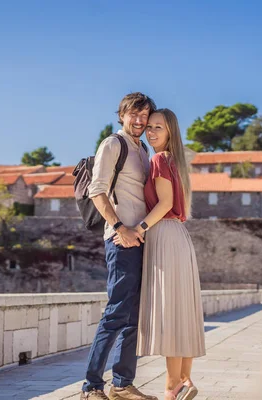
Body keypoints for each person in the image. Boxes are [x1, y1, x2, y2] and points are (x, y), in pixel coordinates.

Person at [114, 109, 205, 400]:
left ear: (170, 133)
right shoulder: (176, 161)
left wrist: (139, 228)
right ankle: (185, 380)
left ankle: (171, 385)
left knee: (170, 313)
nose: (151, 132)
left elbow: (164, 203)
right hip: (179, 236)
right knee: (182, 310)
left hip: (164, 235)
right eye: (149, 127)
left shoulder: (158, 159)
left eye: (158, 128)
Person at [81, 92, 159, 400]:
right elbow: (96, 190)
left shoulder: (143, 149)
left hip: (140, 240)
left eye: (145, 115)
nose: (140, 120)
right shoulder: (113, 144)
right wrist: (119, 228)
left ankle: (122, 385)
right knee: (115, 313)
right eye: (134, 115)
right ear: (122, 115)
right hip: (120, 239)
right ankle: (91, 387)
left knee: (133, 317)